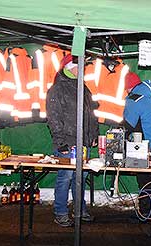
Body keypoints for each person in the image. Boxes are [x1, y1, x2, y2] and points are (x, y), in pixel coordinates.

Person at [46, 54, 99, 227]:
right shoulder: (56, 90)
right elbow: (53, 118)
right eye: (80, 66)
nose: (83, 70)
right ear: (70, 68)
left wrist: (93, 136)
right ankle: (60, 212)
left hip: (83, 143)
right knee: (65, 177)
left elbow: (91, 115)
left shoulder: (84, 88)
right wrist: (60, 143)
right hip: (67, 144)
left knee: (81, 178)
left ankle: (79, 210)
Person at [122, 71, 151, 215]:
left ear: (129, 87)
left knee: (144, 182)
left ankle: (146, 214)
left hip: (143, 148)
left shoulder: (134, 98)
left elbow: (128, 125)